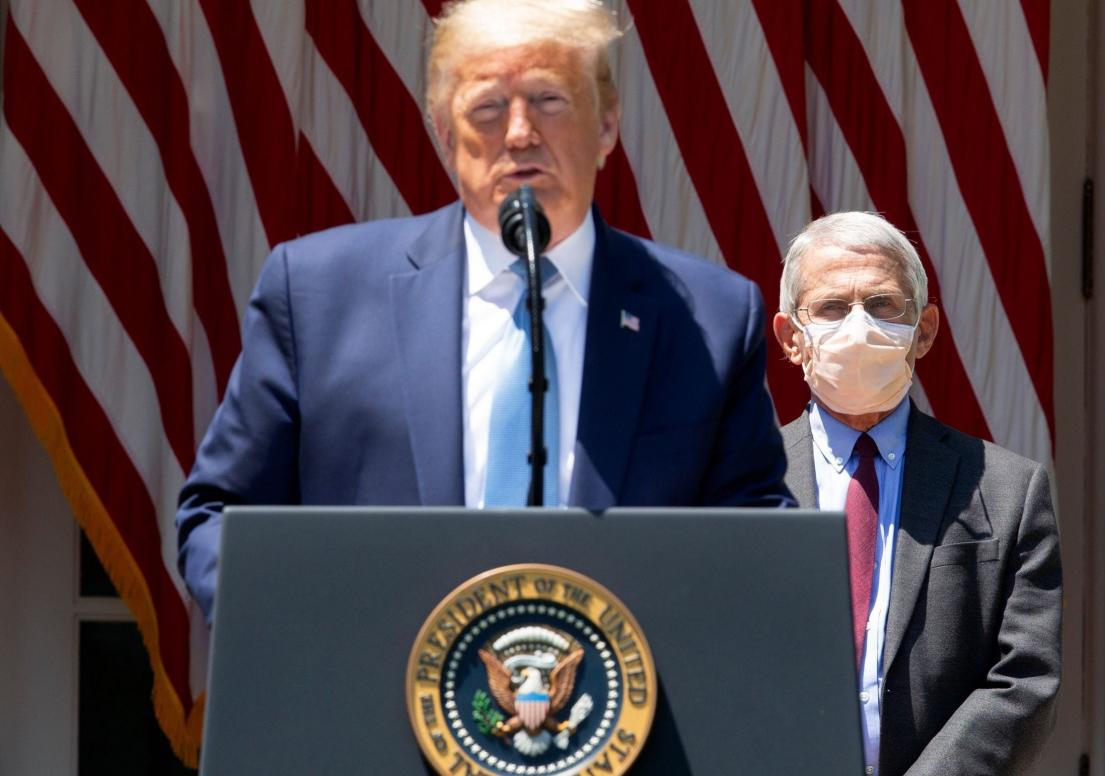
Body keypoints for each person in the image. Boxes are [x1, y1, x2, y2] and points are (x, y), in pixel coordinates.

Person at [176, 0, 791, 621]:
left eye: (550, 100)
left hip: (631, 705)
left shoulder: (708, 320)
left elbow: (760, 547)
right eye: (488, 108)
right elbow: (217, 520)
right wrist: (312, 649)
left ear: (607, 123)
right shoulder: (316, 297)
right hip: (374, 706)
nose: (520, 132)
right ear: (446, 136)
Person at [772, 212, 1061, 775]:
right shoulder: (733, 488)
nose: (859, 328)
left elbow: (1025, 679)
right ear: (790, 338)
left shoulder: (1007, 490)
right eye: (832, 307)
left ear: (924, 331)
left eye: (884, 306)